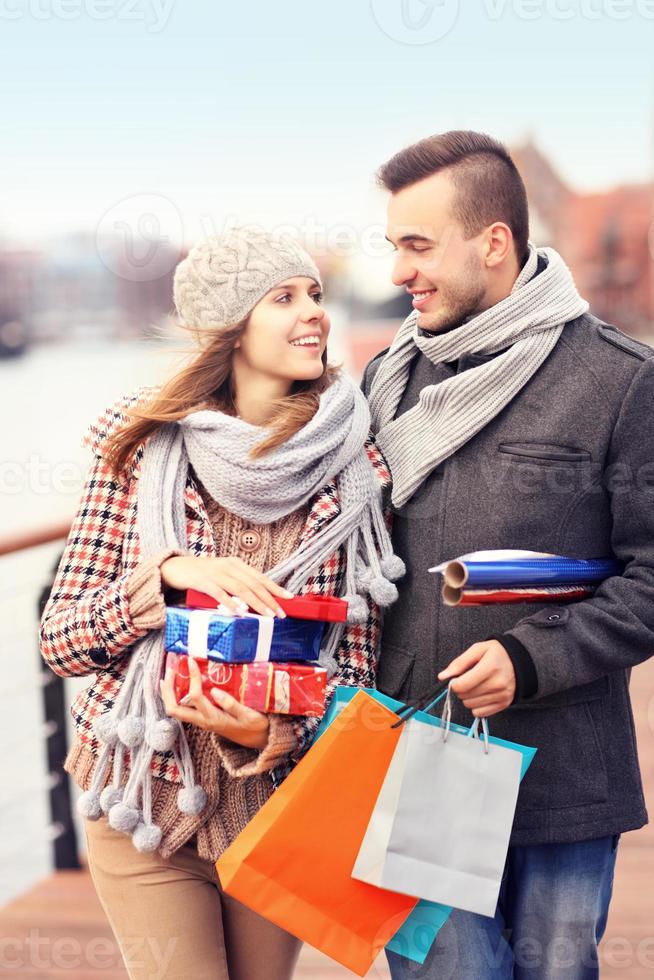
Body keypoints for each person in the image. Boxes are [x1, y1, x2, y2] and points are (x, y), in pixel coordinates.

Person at [39, 226, 403, 980]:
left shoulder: (357, 468)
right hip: (142, 801)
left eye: (314, 294)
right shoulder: (142, 449)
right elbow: (62, 641)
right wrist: (162, 578)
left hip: (278, 804)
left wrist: (271, 727)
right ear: (232, 328)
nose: (314, 314)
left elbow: (359, 663)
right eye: (284, 298)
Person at [362, 130, 654, 980]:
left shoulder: (622, 381)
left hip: (563, 766)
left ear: (493, 243)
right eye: (392, 247)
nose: (397, 273)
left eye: (417, 246)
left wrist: (531, 660)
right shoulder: (386, 381)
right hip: (412, 760)